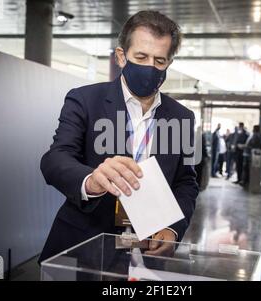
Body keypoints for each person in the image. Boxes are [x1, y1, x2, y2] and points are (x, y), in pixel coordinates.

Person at [38, 11, 198, 263]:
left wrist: (173, 229)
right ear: (122, 56)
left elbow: (185, 182)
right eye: (141, 57)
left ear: (168, 63)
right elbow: (55, 159)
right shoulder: (84, 100)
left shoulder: (182, 117)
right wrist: (91, 181)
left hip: (148, 249)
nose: (150, 67)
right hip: (83, 245)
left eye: (159, 60)